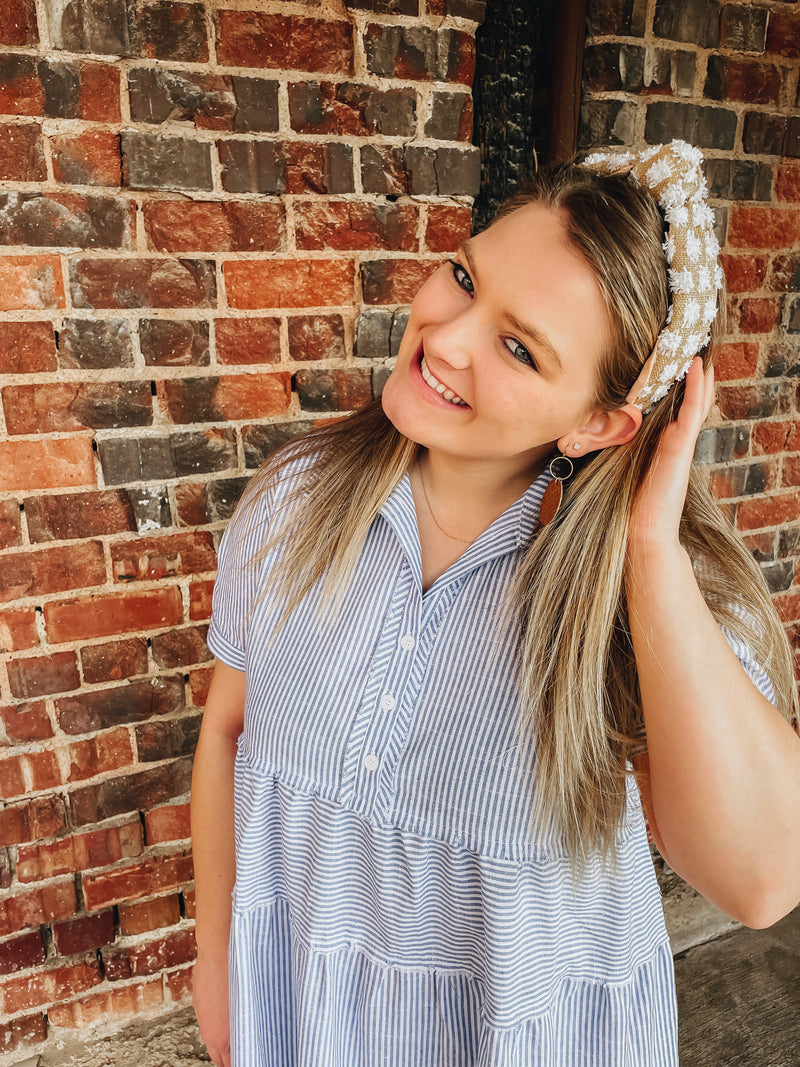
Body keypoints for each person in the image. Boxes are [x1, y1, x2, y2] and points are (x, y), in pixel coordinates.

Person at [190, 141, 800, 1067]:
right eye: (463, 278)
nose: (446, 337)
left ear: (598, 422)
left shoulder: (644, 601)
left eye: (518, 346)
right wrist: (216, 964)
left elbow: (762, 878)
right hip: (300, 1026)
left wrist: (649, 553)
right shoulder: (296, 499)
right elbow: (227, 733)